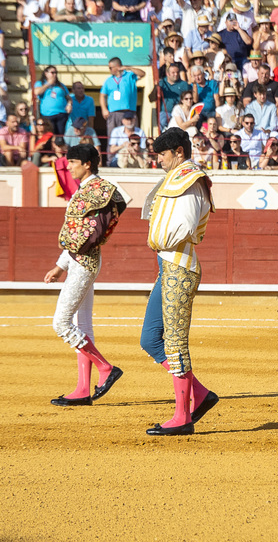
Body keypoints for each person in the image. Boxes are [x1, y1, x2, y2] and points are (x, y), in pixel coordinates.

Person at [139, 129, 218, 436]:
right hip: (168, 265)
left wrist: (158, 242)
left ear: (178, 152)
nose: (159, 160)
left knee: (174, 342)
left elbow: (184, 225)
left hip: (179, 265)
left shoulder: (190, 180)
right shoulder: (178, 178)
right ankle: (200, 395)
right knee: (150, 338)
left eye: (163, 154)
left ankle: (182, 416)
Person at [45, 143, 127, 407]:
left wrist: (66, 263)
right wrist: (60, 266)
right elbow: (80, 237)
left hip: (84, 263)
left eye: (73, 162)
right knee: (82, 326)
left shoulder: (96, 190)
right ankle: (82, 390)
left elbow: (87, 236)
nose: (68, 167)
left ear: (87, 164)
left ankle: (105, 368)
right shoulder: (88, 190)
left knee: (61, 323)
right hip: (82, 261)